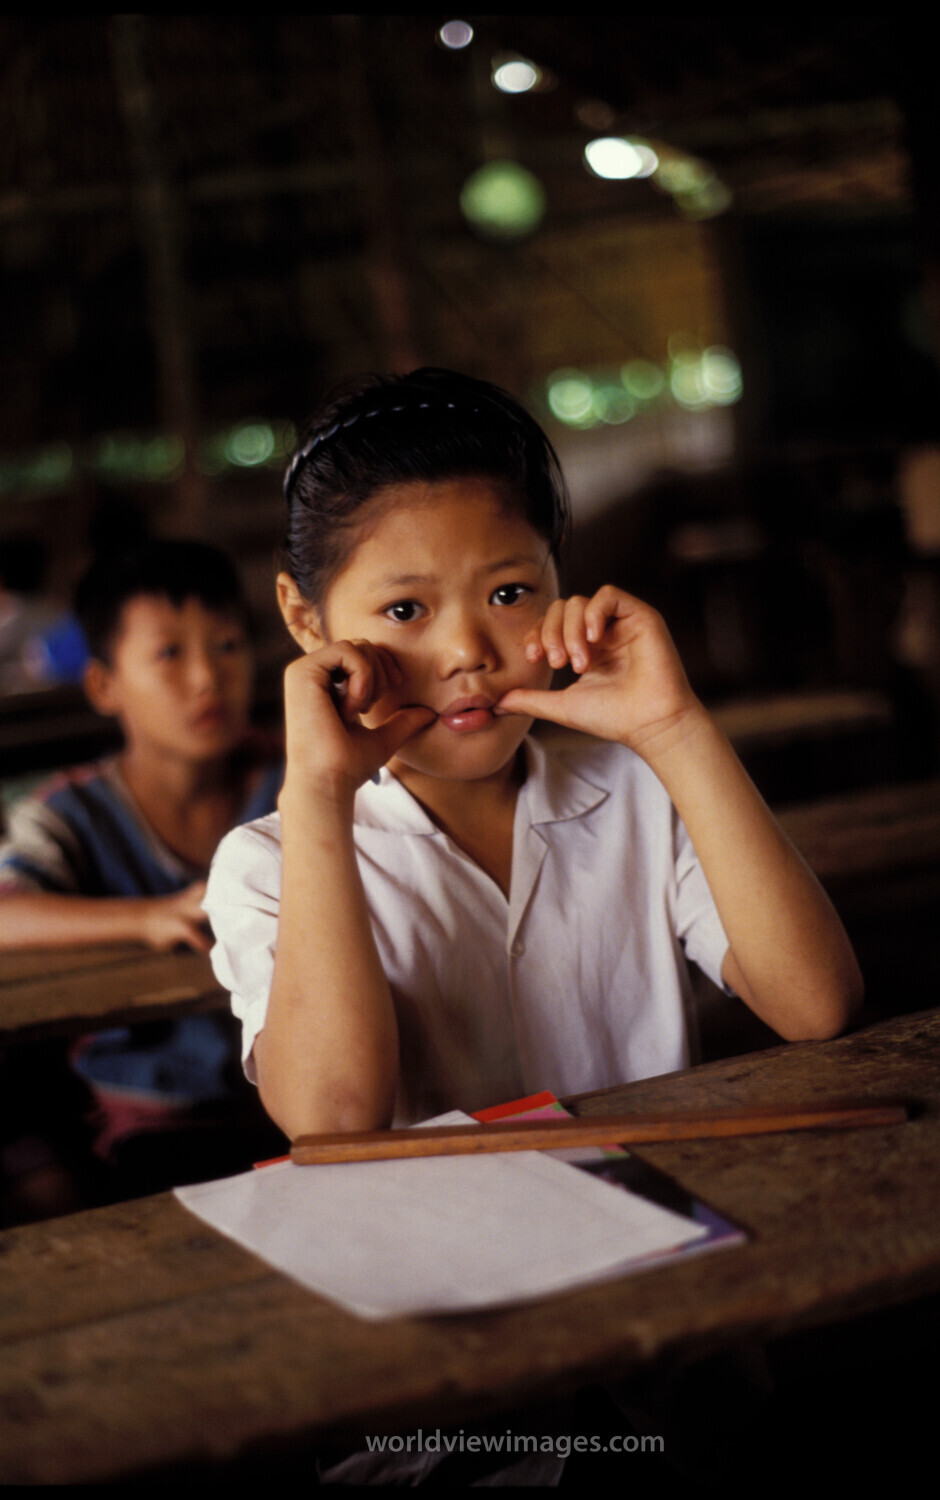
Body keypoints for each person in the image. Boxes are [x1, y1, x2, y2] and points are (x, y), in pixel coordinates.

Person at [204, 367, 863, 1147]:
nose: (466, 652)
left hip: (670, 1233)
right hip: (447, 1259)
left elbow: (817, 1004)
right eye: (405, 609)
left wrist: (675, 729)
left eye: (510, 592)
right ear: (305, 620)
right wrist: (316, 793)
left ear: (559, 578)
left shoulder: (642, 790)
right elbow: (334, 1119)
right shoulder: (267, 863)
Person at [0, 540, 285, 1213]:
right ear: (103, 684)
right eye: (169, 654)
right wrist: (146, 916)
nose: (207, 679)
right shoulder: (74, 813)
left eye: (227, 646)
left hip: (301, 1100)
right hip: (153, 1122)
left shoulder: (300, 782)